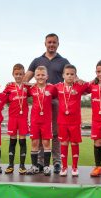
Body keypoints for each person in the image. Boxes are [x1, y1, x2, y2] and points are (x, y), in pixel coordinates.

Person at [23, 33, 70, 174]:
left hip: (55, 100)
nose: (51, 44)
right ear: (45, 43)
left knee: (54, 133)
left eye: (54, 42)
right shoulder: (37, 60)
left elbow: (71, 76)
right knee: (39, 134)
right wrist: (16, 84)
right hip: (39, 100)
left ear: (58, 44)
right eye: (49, 42)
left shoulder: (63, 61)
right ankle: (40, 162)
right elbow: (25, 79)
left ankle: (56, 162)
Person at [55, 64, 89, 177]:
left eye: (72, 74)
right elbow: (43, 85)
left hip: (75, 121)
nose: (70, 76)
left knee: (74, 143)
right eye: (67, 74)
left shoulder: (79, 86)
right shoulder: (58, 87)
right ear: (63, 75)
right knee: (64, 143)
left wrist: (81, 80)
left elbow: (93, 84)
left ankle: (74, 167)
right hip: (62, 121)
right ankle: (64, 167)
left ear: (75, 75)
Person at [26, 66, 57, 176]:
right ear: (34, 76)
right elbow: (21, 86)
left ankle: (47, 167)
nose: (40, 77)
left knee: (46, 143)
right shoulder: (31, 88)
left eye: (43, 75)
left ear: (47, 76)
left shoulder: (52, 88)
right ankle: (34, 166)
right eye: (38, 75)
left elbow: (61, 92)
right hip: (34, 120)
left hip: (46, 121)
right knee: (34, 142)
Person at [3, 64, 29, 175]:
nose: (18, 76)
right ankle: (10, 165)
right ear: (13, 74)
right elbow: (1, 97)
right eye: (16, 74)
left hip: (23, 118)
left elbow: (39, 87)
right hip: (13, 118)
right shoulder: (9, 87)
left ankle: (22, 166)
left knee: (22, 141)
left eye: (21, 74)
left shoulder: (27, 87)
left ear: (24, 74)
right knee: (12, 141)